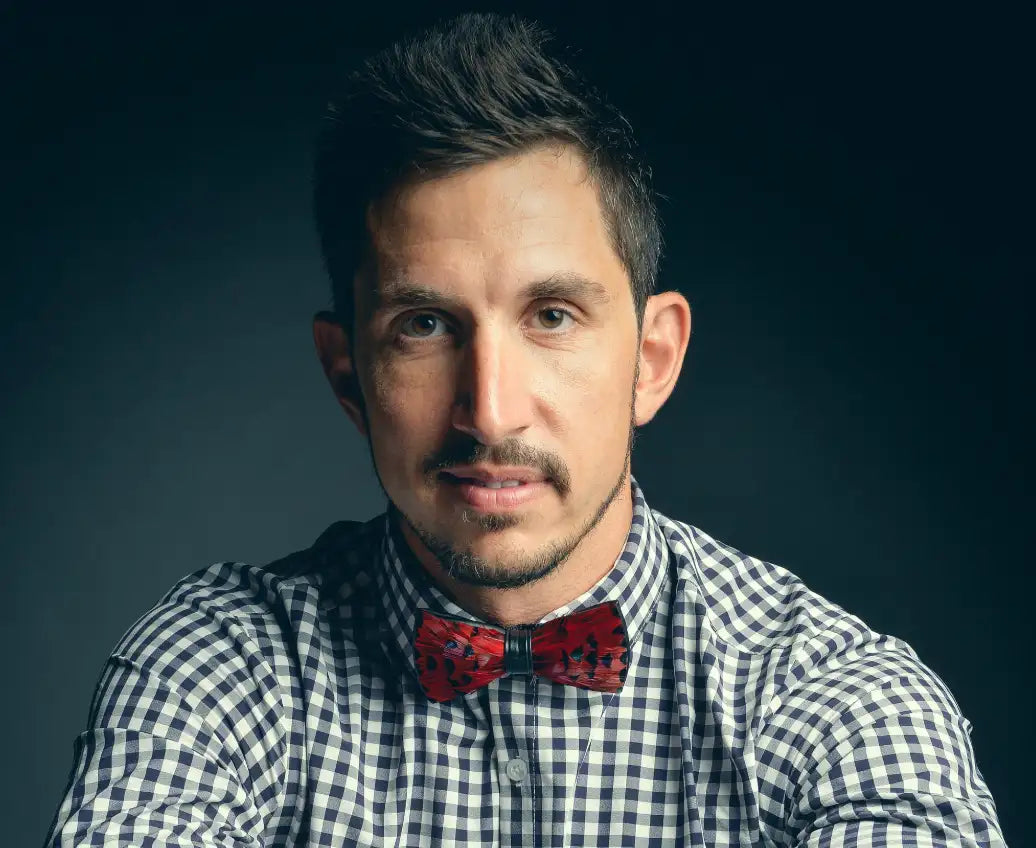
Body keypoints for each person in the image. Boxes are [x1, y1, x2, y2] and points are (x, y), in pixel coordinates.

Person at [45, 12, 1005, 847]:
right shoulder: (217, 670)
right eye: (426, 324)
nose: (491, 410)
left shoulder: (840, 703)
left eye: (551, 315)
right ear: (348, 374)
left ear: (652, 359)